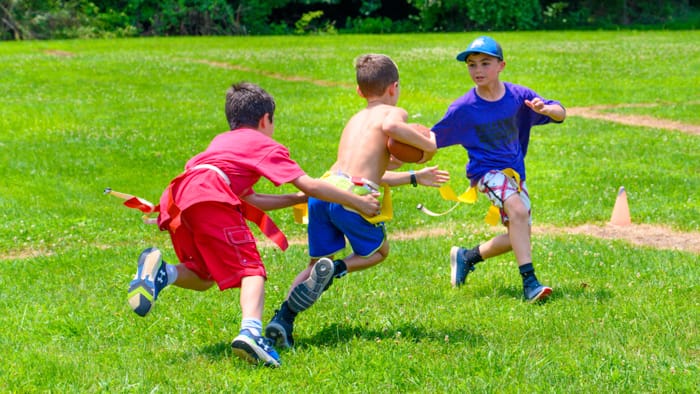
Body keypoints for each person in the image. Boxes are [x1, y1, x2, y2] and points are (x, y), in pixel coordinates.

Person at [126, 82, 381, 367]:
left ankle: (163, 272)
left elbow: (250, 198)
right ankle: (250, 333)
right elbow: (309, 183)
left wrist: (294, 198)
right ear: (265, 119)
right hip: (211, 196)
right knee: (251, 270)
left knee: (203, 275)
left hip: (182, 197)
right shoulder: (263, 143)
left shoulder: (222, 141)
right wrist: (358, 202)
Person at [265, 54, 450, 349]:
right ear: (394, 87)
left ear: (359, 91)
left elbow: (365, 172)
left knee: (314, 265)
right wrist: (430, 145)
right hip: (353, 198)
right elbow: (391, 129)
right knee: (378, 253)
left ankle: (282, 319)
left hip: (325, 192)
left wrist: (415, 176)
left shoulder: (354, 120)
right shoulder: (394, 112)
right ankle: (336, 271)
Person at [431, 36, 566, 303]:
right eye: (471, 65)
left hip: (514, 174)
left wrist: (546, 109)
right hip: (485, 173)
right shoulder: (463, 108)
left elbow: (561, 113)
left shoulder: (519, 97)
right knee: (518, 211)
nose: (477, 70)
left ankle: (467, 257)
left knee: (520, 235)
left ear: (501, 65)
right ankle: (530, 283)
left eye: (485, 63)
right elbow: (431, 140)